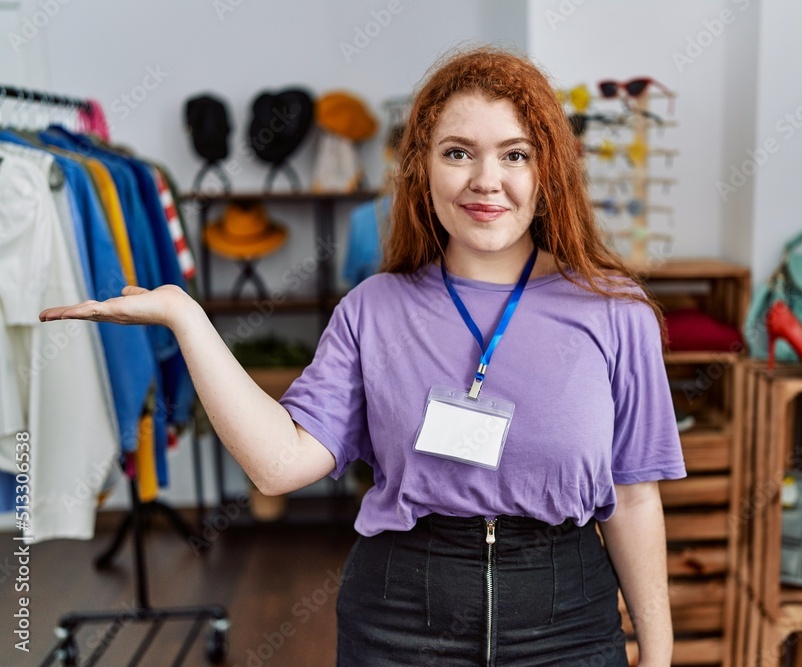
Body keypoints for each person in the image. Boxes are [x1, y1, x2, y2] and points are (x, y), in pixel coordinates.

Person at [40, 46, 685, 666]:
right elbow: (280, 464)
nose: (487, 180)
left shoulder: (615, 311)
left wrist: (657, 653)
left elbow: (633, 498)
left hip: (567, 621)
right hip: (403, 618)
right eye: (458, 152)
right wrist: (189, 319)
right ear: (422, 168)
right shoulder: (373, 309)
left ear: (548, 170)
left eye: (515, 155)